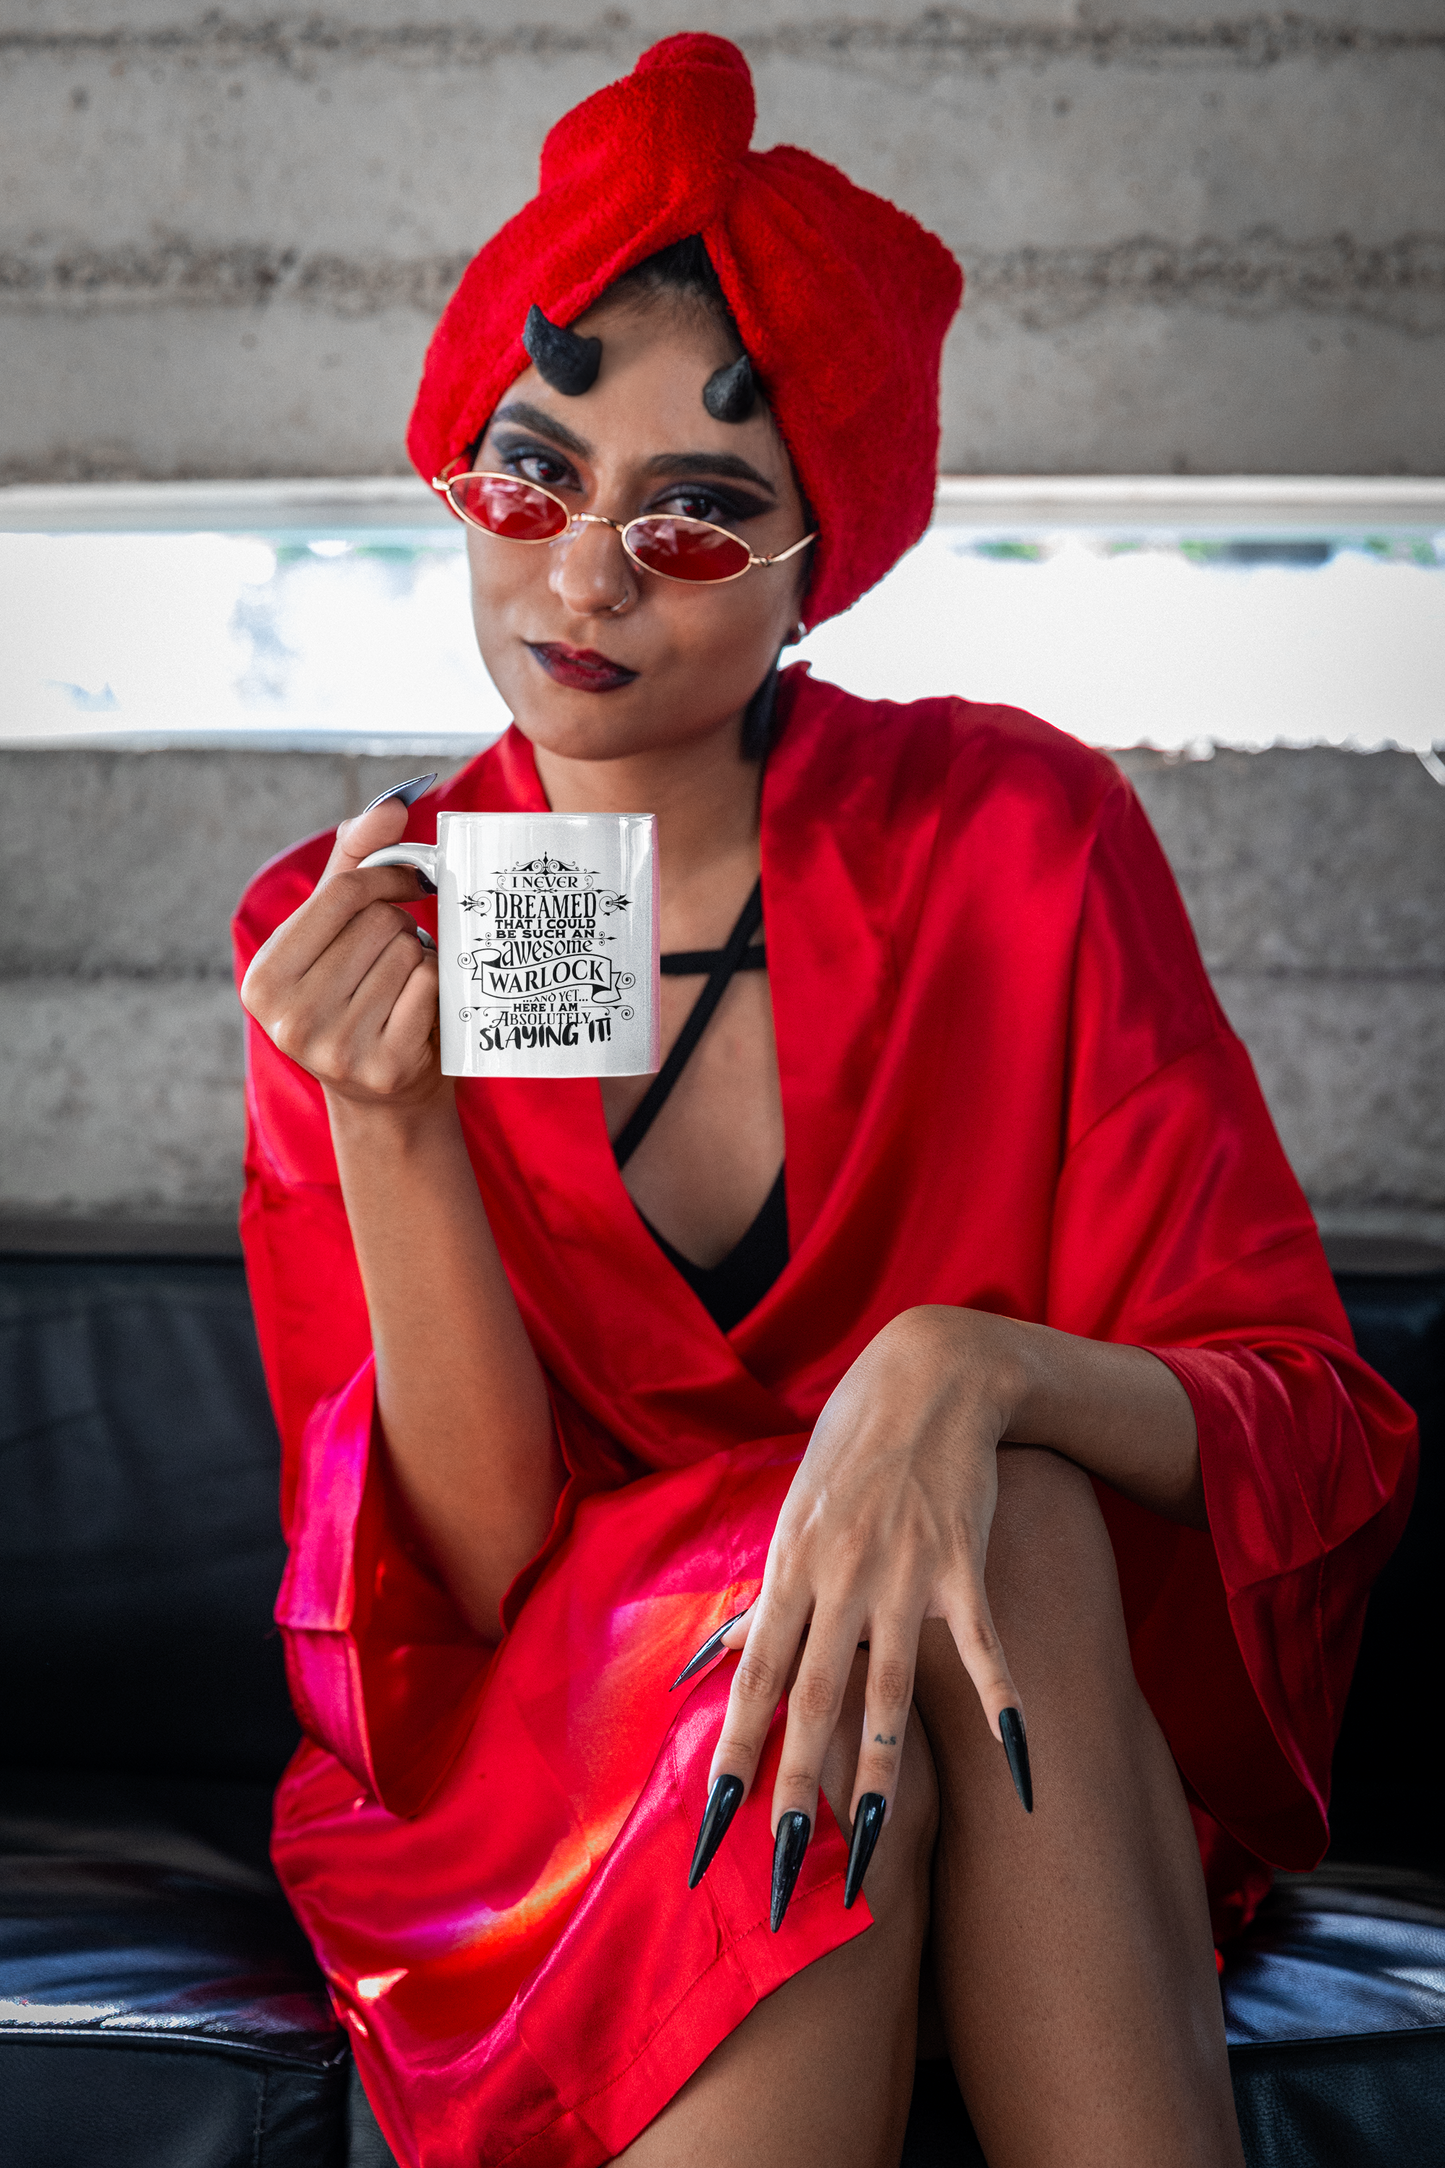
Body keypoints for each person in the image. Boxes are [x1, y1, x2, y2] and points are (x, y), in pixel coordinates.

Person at [234, 34, 1416, 2168]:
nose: (584, 579)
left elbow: (1300, 1415)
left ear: (816, 562)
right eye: (528, 475)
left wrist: (951, 1376)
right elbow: (485, 1584)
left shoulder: (994, 833)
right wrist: (392, 1123)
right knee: (837, 1601)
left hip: (1007, 1699)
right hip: (570, 1766)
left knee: (1004, 1499)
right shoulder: (467, 905)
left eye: (694, 511)